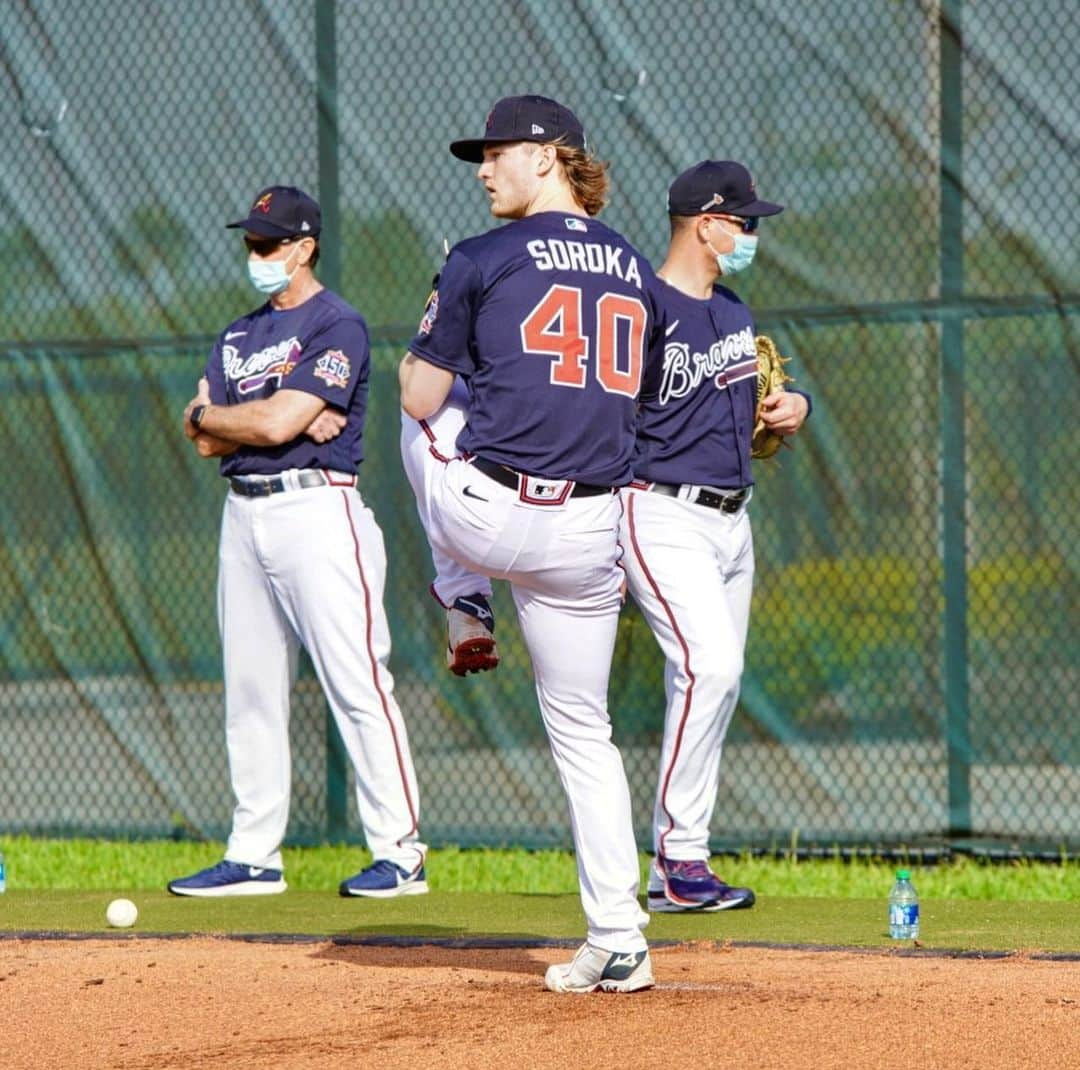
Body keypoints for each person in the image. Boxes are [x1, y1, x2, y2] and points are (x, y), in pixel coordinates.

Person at [399, 95, 663, 993]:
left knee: (419, 420)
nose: (483, 169)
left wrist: (446, 330)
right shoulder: (633, 262)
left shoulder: (479, 256)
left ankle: (462, 597)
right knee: (586, 733)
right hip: (590, 536)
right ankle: (620, 937)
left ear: (548, 158)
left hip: (488, 516)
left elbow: (420, 396)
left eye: (496, 153)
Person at [169, 185, 427, 899]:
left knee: (357, 682)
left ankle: (401, 854)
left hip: (319, 513)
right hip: (243, 513)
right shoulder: (236, 335)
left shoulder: (335, 323)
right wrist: (226, 416)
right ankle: (254, 854)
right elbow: (201, 435)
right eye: (251, 241)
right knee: (250, 689)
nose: (256, 253)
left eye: (269, 242)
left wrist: (230, 416)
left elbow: (278, 426)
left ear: (305, 246)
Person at [623, 160, 811, 913]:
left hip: (734, 519)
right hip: (660, 511)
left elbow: (758, 401)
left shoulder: (733, 312)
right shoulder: (641, 308)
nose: (753, 235)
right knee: (714, 669)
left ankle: (680, 859)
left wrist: (791, 402)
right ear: (707, 224)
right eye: (745, 222)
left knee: (704, 683)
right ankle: (678, 857)